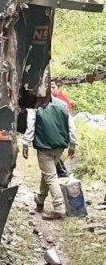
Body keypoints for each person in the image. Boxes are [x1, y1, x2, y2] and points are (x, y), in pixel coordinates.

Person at [23, 87, 78, 220]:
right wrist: (73, 144)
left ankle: (59, 208)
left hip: (44, 146)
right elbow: (71, 125)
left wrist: (26, 143)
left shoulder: (35, 106)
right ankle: (40, 199)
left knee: (50, 176)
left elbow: (31, 126)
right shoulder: (62, 104)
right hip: (60, 146)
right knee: (48, 173)